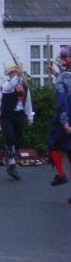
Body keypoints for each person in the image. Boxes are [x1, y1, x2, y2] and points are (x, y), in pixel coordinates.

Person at [0, 65, 34, 180]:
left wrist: (30, 116)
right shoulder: (5, 84)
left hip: (19, 115)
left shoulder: (23, 86)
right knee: (10, 139)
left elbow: (27, 102)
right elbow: (10, 87)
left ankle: (12, 160)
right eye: (11, 73)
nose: (13, 74)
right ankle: (12, 164)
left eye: (14, 73)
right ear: (9, 75)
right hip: (7, 115)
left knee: (17, 141)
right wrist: (17, 76)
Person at [48, 48, 71, 187]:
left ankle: (61, 174)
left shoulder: (62, 78)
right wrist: (56, 73)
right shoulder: (64, 76)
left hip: (65, 114)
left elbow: (63, 100)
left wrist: (65, 122)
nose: (59, 61)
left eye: (61, 59)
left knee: (53, 143)